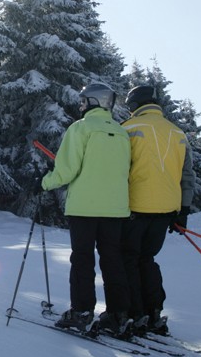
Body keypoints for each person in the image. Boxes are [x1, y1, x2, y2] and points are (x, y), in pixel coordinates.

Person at [38, 82, 133, 336]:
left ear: (93, 102)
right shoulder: (121, 132)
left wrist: (45, 182)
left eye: (83, 101)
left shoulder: (81, 128)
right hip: (115, 209)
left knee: (82, 259)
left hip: (85, 208)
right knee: (112, 259)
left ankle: (81, 311)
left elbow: (67, 170)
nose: (80, 106)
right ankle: (118, 313)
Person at [119, 85, 195, 336]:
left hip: (135, 206)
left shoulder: (128, 129)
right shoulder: (177, 132)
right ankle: (154, 312)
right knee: (147, 258)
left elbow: (117, 169)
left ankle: (134, 313)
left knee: (128, 258)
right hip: (167, 210)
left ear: (134, 105)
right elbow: (187, 176)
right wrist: (183, 210)